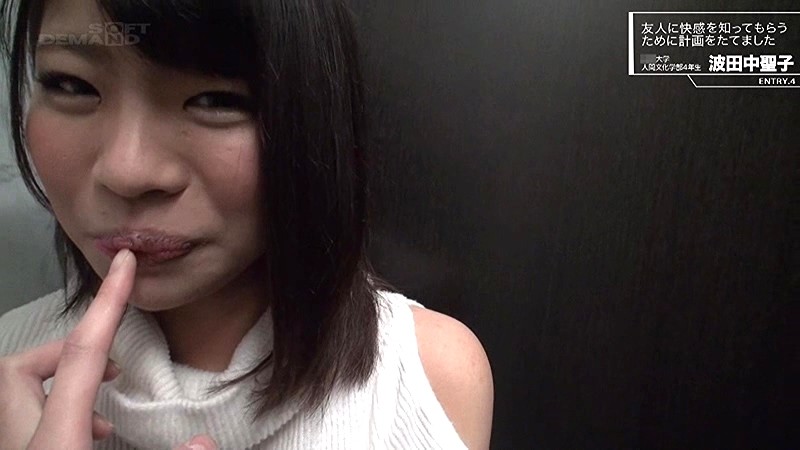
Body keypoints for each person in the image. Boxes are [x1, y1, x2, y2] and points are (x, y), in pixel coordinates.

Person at [0, 0, 494, 448]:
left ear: (314, 116)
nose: (128, 172)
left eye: (215, 100)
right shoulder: (10, 364)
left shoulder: (422, 380)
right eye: (72, 85)